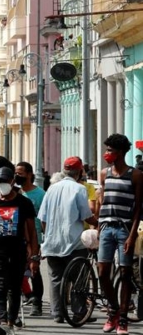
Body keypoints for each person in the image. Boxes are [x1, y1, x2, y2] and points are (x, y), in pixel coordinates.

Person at [0, 167, 40, 335]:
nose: (2, 185)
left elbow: (32, 231)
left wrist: (34, 256)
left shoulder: (24, 203)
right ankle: (2, 320)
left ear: (13, 181)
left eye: (5, 181)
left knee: (14, 288)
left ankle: (11, 322)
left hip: (18, 252)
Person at [38, 156, 97, 324]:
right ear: (79, 172)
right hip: (74, 243)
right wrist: (99, 223)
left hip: (52, 243)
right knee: (78, 279)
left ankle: (57, 313)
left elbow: (42, 218)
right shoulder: (79, 189)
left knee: (56, 279)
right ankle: (79, 312)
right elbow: (86, 216)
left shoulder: (51, 189)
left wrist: (48, 235)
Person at [97, 134, 142, 335]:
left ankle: (122, 319)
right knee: (102, 272)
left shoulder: (136, 175)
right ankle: (113, 309)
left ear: (121, 152)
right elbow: (102, 200)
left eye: (110, 150)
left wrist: (132, 236)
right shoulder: (103, 174)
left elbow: (138, 209)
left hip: (125, 229)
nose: (107, 154)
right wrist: (98, 225)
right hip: (106, 227)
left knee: (125, 273)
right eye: (106, 150)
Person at [15, 161, 46, 316]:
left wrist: (45, 240)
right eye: (16, 172)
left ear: (29, 174)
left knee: (35, 270)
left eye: (20, 173)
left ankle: (37, 303)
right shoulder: (16, 193)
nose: (17, 176)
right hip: (18, 237)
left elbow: (45, 218)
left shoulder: (40, 194)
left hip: (35, 237)